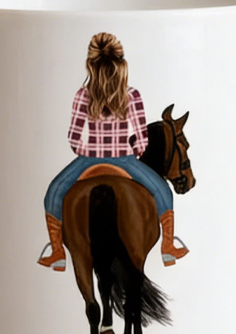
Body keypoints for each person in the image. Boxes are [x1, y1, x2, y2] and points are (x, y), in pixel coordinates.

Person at [38, 32, 188, 271]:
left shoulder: (83, 95)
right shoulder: (132, 95)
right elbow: (141, 137)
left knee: (54, 193)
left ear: (90, 64)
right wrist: (135, 152)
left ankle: (57, 252)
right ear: (121, 62)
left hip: (88, 160)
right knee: (163, 192)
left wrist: (88, 150)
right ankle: (168, 246)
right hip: (125, 160)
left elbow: (74, 138)